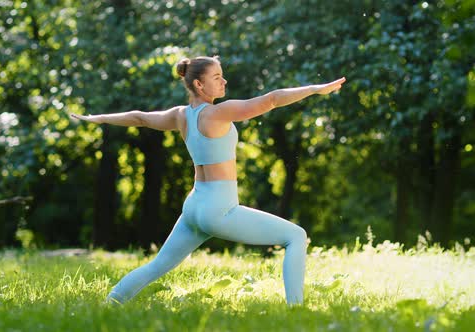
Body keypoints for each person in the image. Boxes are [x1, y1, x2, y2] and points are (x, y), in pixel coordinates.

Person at [70, 56, 345, 305]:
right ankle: (297, 311)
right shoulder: (217, 113)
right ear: (199, 85)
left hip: (195, 206)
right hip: (219, 208)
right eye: (217, 78)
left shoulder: (180, 116)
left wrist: (99, 118)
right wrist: (315, 89)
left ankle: (110, 304)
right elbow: (271, 100)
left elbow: (141, 118)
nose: (224, 81)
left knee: (158, 265)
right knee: (296, 236)